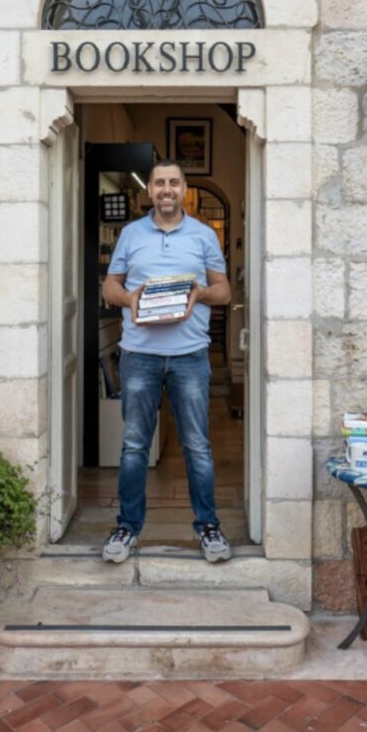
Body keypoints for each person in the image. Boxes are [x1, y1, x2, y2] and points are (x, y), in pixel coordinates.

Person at [100, 159, 232, 564]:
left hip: (190, 355)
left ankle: (208, 527)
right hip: (139, 355)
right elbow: (110, 286)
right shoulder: (130, 234)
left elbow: (223, 291)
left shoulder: (204, 235)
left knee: (197, 446)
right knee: (134, 445)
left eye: (174, 182)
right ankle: (127, 527)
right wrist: (130, 298)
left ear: (184, 188)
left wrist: (197, 293)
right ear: (150, 191)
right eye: (159, 183)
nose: (166, 189)